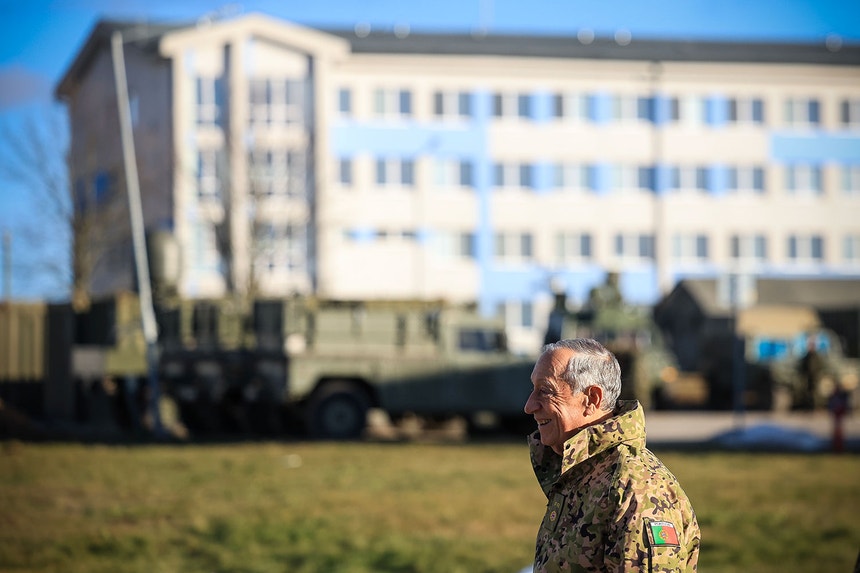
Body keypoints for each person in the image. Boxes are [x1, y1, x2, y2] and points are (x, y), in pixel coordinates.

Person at [524, 338, 700, 572]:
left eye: (545, 391)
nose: (529, 406)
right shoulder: (583, 472)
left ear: (591, 399)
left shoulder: (637, 489)